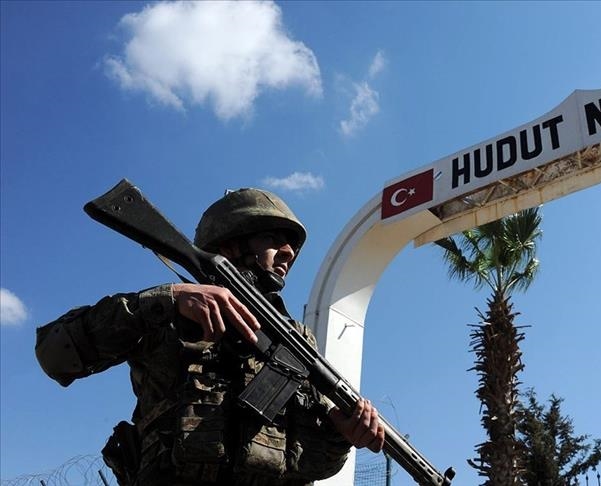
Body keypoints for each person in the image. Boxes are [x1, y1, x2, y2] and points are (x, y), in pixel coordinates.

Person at [35, 188, 384, 485]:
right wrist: (165, 301)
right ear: (229, 245)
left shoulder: (297, 342)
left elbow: (305, 466)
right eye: (272, 238)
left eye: (291, 244)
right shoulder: (170, 312)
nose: (289, 252)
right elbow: (54, 355)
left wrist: (341, 438)